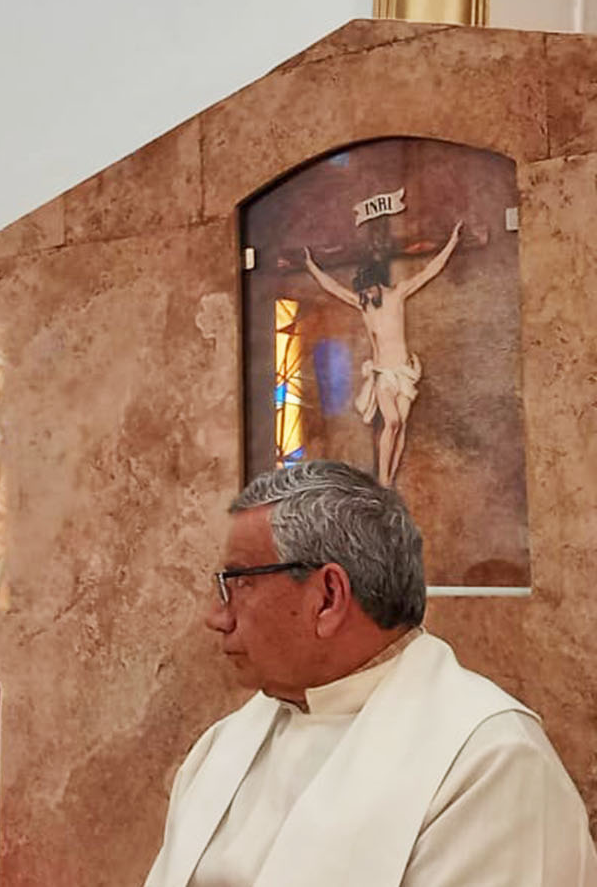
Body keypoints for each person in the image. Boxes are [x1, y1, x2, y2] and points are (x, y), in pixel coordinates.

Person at [143, 461, 597, 886]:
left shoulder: (492, 764)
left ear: (328, 598)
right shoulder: (226, 744)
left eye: (239, 583)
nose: (216, 617)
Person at [302, 222, 461, 486]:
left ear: (378, 284)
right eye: (363, 292)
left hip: (404, 372)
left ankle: (389, 483)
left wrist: (452, 242)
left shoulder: (397, 294)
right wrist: (311, 266)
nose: (365, 295)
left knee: (401, 426)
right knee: (392, 421)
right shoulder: (364, 304)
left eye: (368, 290)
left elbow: (429, 271)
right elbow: (334, 288)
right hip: (383, 374)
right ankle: (383, 480)